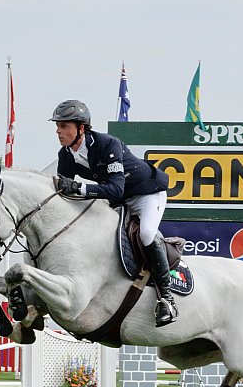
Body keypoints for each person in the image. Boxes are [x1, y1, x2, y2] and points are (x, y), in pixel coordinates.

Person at [49, 99, 178, 327]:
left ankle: (167, 299)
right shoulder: (65, 155)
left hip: (147, 193)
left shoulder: (108, 144)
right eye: (57, 126)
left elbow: (114, 187)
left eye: (64, 126)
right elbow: (64, 192)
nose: (59, 131)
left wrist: (80, 188)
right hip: (119, 199)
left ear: (81, 128)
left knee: (147, 234)